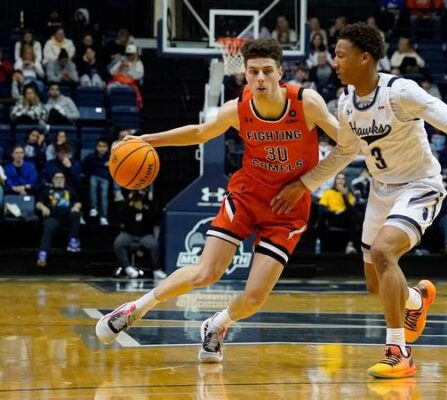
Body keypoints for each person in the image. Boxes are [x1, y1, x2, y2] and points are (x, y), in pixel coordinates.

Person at [95, 39, 345, 365]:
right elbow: (199, 133)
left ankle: (217, 324)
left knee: (254, 298)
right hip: (247, 196)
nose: (259, 78)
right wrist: (146, 139)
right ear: (244, 74)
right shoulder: (236, 110)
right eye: (253, 71)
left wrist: (305, 184)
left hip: (288, 208)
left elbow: (348, 145)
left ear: (280, 73)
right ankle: (134, 309)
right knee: (205, 272)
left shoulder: (307, 103)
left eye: (267, 71)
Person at [272, 23, 447, 379]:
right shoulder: (345, 103)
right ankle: (417, 300)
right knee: (376, 283)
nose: (334, 61)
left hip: (419, 185)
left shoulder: (400, 92)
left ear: (365, 57)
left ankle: (398, 351)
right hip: (381, 191)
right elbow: (344, 152)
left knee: (384, 253)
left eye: (341, 55)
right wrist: (304, 183)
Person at [113, 189, 165, 279]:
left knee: (154, 245)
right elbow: (120, 218)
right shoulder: (128, 203)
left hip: (145, 235)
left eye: (142, 192)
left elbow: (154, 219)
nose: (140, 194)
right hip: (129, 233)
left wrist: (143, 210)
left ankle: (156, 269)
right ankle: (127, 268)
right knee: (118, 243)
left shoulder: (149, 203)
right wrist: (129, 205)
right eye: (138, 192)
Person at [35, 171, 82, 267]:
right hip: (53, 217)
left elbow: (78, 202)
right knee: (48, 227)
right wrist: (43, 208)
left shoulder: (69, 189)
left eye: (61, 178)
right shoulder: (47, 190)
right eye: (57, 178)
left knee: (76, 214)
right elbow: (38, 203)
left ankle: (73, 241)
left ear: (64, 179)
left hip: (68, 216)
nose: (59, 180)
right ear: (53, 180)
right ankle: (42, 254)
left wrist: (76, 207)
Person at [82, 138, 110, 225]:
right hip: (94, 176)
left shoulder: (111, 156)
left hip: (105, 178)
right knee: (92, 187)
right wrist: (103, 164)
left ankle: (103, 217)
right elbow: (83, 165)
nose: (102, 148)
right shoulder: (91, 156)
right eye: (100, 146)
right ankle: (93, 208)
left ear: (107, 148)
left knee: (104, 195)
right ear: (96, 147)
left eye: (104, 146)